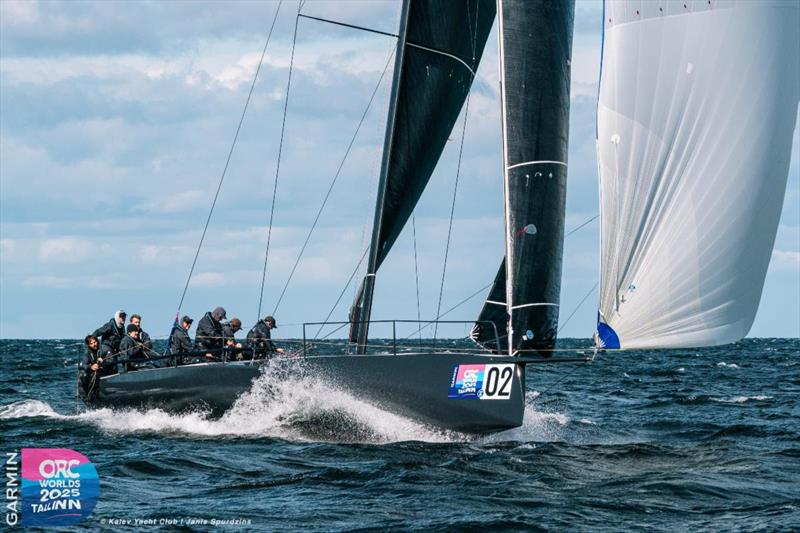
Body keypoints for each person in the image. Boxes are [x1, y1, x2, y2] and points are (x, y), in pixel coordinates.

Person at [79, 335, 104, 402]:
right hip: (93, 372)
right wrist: (91, 367)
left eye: (95, 342)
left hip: (104, 370)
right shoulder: (87, 353)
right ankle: (88, 396)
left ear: (97, 341)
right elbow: (84, 365)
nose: (94, 344)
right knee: (83, 375)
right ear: (88, 345)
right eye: (91, 343)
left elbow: (111, 358)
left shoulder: (103, 348)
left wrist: (104, 361)